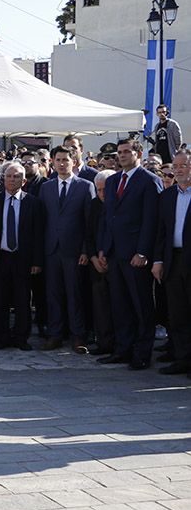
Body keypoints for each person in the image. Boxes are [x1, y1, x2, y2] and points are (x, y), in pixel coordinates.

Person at [97, 138, 163, 370]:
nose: (122, 155)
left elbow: (151, 220)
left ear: (138, 154)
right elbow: (107, 216)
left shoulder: (149, 181)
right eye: (119, 152)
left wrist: (143, 252)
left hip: (136, 255)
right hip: (115, 253)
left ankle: (142, 353)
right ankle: (123, 349)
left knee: (141, 305)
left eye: (126, 151)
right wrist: (103, 247)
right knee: (120, 304)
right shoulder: (113, 180)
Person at [38, 146, 95, 354]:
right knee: (53, 295)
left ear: (74, 162)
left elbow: (89, 223)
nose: (62, 164)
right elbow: (42, 221)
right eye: (58, 160)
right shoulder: (46, 187)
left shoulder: (85, 186)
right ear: (52, 162)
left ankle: (78, 336)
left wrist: (85, 250)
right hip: (51, 250)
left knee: (75, 294)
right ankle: (55, 335)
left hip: (75, 251)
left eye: (65, 160)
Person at [0, 163, 44, 351]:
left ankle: (21, 338)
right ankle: (2, 337)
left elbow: (38, 234)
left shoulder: (33, 203)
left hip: (23, 258)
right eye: (9, 176)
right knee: (0, 299)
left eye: (16, 176)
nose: (12, 180)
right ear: (3, 179)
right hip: (1, 257)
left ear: (24, 180)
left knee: (23, 300)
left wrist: (37, 261)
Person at [152, 150, 191, 377]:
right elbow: (161, 231)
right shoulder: (167, 196)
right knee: (177, 313)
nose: (177, 170)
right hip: (173, 260)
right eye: (175, 167)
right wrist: (158, 261)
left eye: (182, 165)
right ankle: (183, 359)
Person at [87, 170, 117, 357]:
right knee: (100, 306)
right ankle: (104, 342)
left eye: (105, 189)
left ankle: (121, 343)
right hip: (97, 264)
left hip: (116, 262)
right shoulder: (94, 205)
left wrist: (106, 254)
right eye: (98, 190)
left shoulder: (120, 204)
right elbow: (89, 233)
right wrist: (93, 257)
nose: (102, 194)